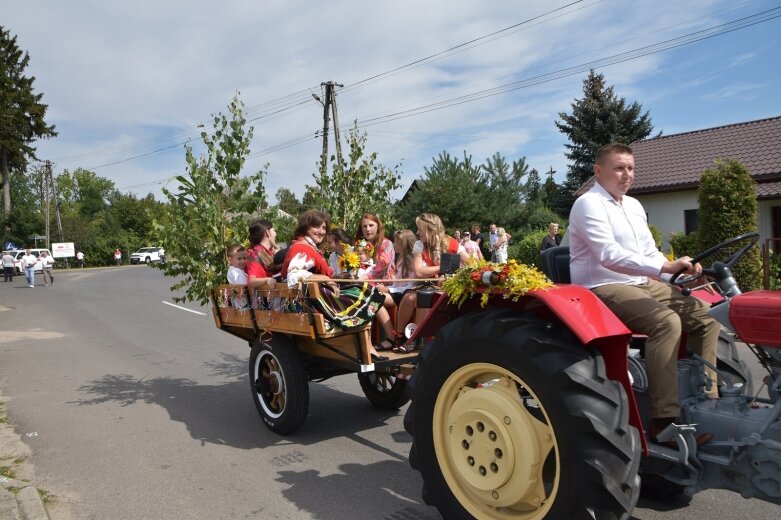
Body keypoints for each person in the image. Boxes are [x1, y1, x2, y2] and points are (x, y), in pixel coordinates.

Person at [568, 143, 718, 446]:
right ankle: (664, 420)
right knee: (666, 323)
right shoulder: (588, 204)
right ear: (599, 171)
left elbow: (648, 253)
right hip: (600, 286)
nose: (627, 175)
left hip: (639, 282)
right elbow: (609, 255)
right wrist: (663, 265)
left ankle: (709, 402)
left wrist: (681, 270)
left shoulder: (634, 206)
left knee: (708, 318)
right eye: (620, 168)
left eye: (631, 168)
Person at [280, 210, 393, 361]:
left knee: (361, 292)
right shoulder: (302, 248)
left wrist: (334, 277)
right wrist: (323, 278)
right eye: (316, 227)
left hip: (315, 295)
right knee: (359, 295)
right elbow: (293, 275)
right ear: (306, 227)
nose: (321, 232)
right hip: (309, 300)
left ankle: (368, 346)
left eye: (323, 228)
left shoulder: (309, 247)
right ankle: (368, 348)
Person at [391, 213, 472, 353]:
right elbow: (418, 272)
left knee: (423, 296)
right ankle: (400, 337)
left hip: (445, 286)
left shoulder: (451, 242)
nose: (417, 232)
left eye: (420, 229)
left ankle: (414, 338)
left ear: (431, 230)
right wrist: (444, 268)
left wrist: (454, 275)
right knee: (410, 297)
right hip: (427, 284)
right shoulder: (419, 245)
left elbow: (472, 263)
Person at [354, 213, 395, 281]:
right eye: (364, 226)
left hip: (383, 285)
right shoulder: (360, 245)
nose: (367, 229)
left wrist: (364, 278)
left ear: (378, 226)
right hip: (361, 281)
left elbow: (381, 267)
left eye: (371, 225)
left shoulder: (386, 244)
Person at [246, 219, 280, 289]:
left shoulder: (265, 251)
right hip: (264, 297)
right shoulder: (255, 254)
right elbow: (251, 281)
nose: (275, 234)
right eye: (274, 230)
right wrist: (267, 280)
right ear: (267, 232)